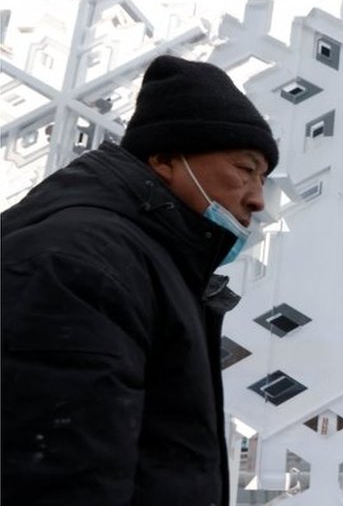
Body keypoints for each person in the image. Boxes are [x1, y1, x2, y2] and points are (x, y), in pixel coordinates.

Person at [1, 55, 279, 506]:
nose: (257, 199)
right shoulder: (82, 261)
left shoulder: (152, 262)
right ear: (165, 158)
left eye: (263, 178)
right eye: (244, 170)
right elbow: (58, 476)